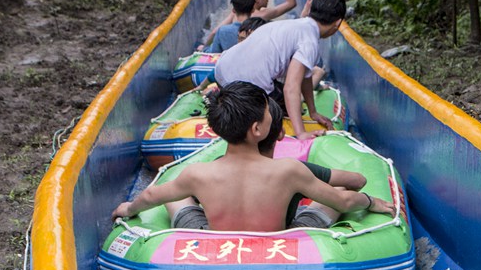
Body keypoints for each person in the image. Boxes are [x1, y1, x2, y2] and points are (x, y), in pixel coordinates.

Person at [111, 82, 392, 233]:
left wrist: (129, 209)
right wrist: (370, 201)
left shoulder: (197, 174)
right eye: (269, 113)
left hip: (215, 241)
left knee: (176, 195)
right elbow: (343, 200)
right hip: (279, 240)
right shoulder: (288, 171)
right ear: (258, 128)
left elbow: (149, 197)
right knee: (337, 193)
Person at [214, 0, 346, 139]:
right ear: (337, 23)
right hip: (244, 87)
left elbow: (305, 76)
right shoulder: (310, 42)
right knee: (282, 110)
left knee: (285, 98)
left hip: (221, 72)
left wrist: (313, 111)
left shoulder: (295, 25)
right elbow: (291, 88)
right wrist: (301, 133)